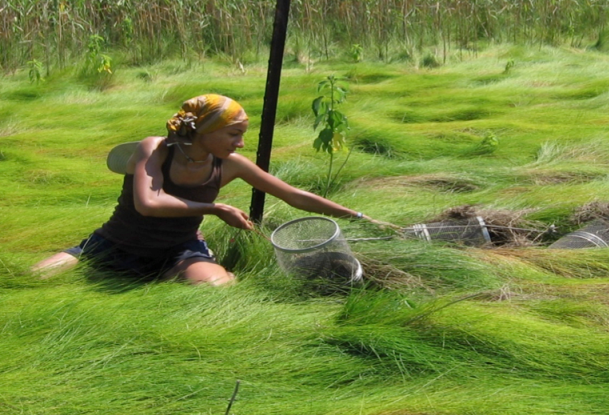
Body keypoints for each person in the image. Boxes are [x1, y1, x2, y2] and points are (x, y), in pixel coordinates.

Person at [33, 94, 389, 286]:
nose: (241, 142)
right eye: (234, 133)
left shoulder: (229, 164)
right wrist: (214, 208)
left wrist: (360, 216)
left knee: (216, 288)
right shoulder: (154, 148)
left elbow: (294, 195)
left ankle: (202, 272)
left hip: (177, 251)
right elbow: (147, 203)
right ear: (203, 130)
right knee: (32, 280)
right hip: (112, 244)